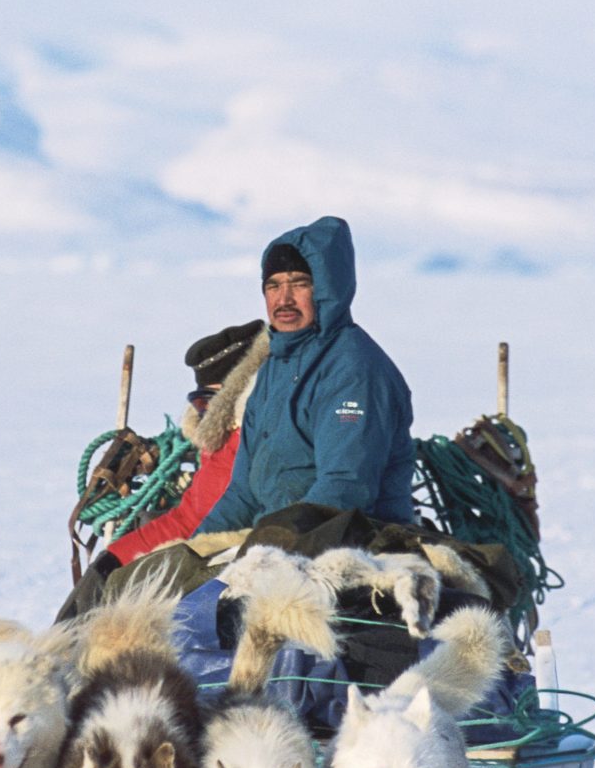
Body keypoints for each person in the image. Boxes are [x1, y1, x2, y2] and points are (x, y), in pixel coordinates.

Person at [193, 215, 414, 535]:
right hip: (278, 539)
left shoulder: (353, 369)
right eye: (274, 286)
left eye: (299, 284)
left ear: (326, 289)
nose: (284, 299)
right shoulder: (274, 369)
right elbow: (242, 493)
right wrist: (192, 547)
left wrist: (267, 543)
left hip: (350, 538)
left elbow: (344, 487)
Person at [55, 319, 266, 621]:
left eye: (211, 404)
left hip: (239, 555)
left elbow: (206, 520)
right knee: (105, 575)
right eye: (200, 405)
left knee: (121, 589)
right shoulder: (222, 439)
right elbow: (188, 516)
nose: (206, 416)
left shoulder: (251, 437)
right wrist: (114, 557)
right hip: (208, 543)